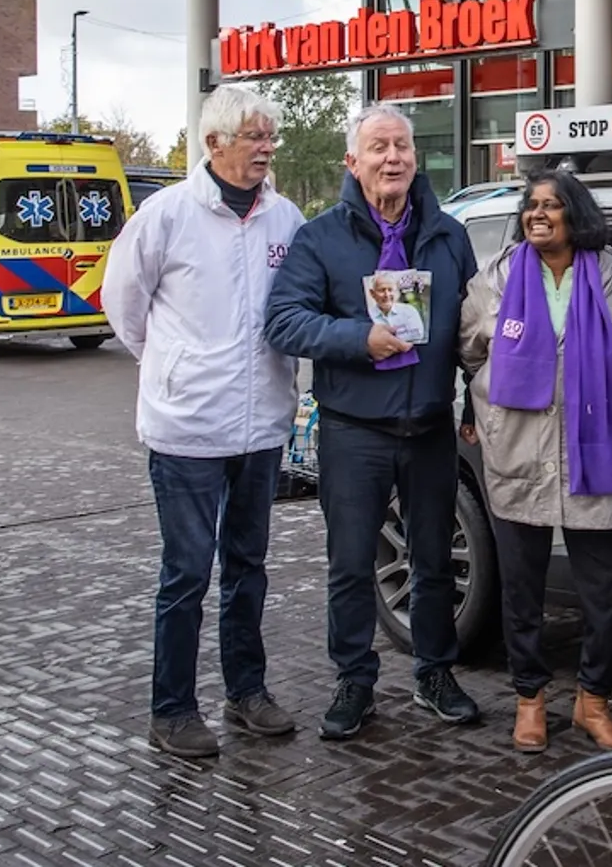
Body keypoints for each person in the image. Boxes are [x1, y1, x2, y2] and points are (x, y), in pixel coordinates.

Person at [263, 102, 481, 740]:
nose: (394, 159)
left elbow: (474, 324)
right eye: (379, 148)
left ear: (417, 158)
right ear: (352, 162)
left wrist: (474, 396)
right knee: (352, 562)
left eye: (403, 148)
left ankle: (434, 673)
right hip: (354, 426)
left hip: (430, 423)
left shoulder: (448, 235)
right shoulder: (320, 237)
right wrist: (360, 338)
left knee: (434, 558)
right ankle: (355, 681)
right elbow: (283, 320)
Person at [100, 84, 305, 758]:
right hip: (187, 428)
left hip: (261, 426)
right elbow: (123, 305)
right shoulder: (166, 216)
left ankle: (247, 693)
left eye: (270, 137)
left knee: (249, 565)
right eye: (254, 136)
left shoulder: (285, 220)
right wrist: (172, 366)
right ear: (215, 142)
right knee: (187, 572)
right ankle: (173, 710)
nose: (267, 148)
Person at [458, 169, 612, 754]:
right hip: (518, 452)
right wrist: (487, 409)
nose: (538, 214)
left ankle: (593, 701)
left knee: (605, 591)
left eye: (552, 205)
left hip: (595, 453)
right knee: (521, 589)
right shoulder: (498, 277)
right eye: (531, 205)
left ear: (576, 215)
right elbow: (468, 349)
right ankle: (530, 699)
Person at [367, 273, 425, 342]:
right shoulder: (367, 315)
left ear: (396, 293)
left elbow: (418, 333)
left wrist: (385, 338)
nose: (387, 295)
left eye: (390, 290)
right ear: (372, 293)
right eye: (382, 290)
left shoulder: (409, 311)